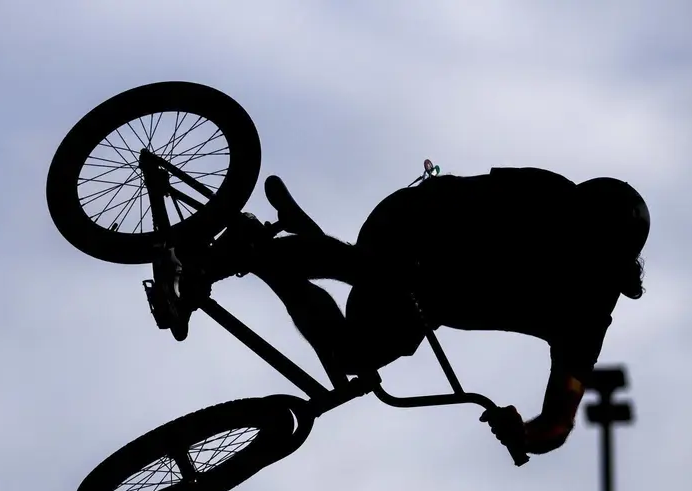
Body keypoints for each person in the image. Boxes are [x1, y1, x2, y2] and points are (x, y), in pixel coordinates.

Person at [172, 166, 650, 460]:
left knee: (351, 358)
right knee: (381, 271)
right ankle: (211, 263)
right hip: (417, 224)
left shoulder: (586, 316)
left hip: (428, 293)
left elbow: (558, 423)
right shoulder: (542, 195)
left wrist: (521, 436)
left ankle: (273, 251)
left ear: (605, 263)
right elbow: (450, 202)